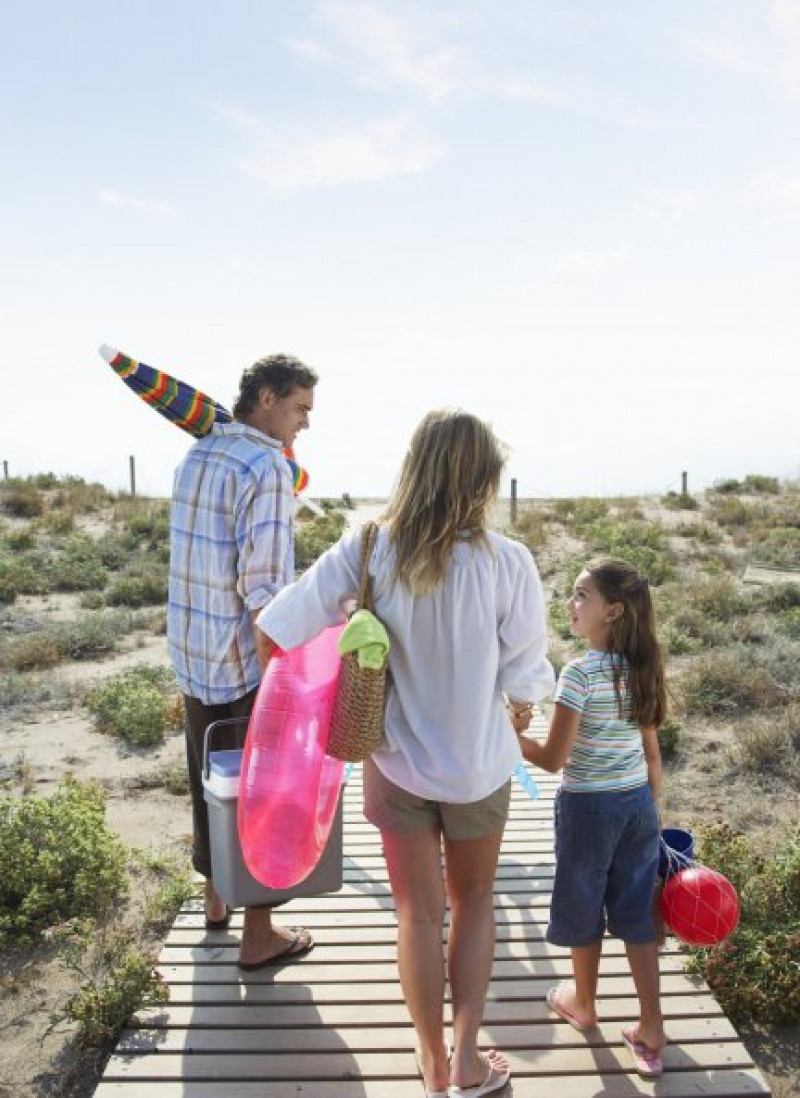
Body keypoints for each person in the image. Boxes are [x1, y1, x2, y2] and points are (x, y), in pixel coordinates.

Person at [255, 410, 555, 1098]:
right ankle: (468, 1060)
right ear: (481, 479)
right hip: (480, 766)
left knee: (417, 916)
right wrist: (514, 708)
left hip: (393, 767)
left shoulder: (368, 549)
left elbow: (276, 630)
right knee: (475, 902)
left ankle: (428, 1061)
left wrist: (308, 709)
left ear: (414, 467)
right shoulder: (509, 563)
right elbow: (527, 675)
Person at [168, 352, 318, 970]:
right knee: (262, 797)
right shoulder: (268, 467)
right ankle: (259, 934)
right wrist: (283, 681)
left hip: (194, 653)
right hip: (244, 663)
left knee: (211, 782)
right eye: (299, 408)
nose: (305, 424)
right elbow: (264, 590)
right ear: (265, 397)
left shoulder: (196, 455)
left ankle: (214, 900)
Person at [512, 558, 667, 1079]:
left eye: (582, 596)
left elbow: (554, 760)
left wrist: (513, 736)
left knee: (583, 906)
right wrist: (647, 806)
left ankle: (583, 1002)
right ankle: (651, 1024)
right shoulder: (642, 668)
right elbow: (651, 757)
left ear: (613, 611)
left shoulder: (578, 674)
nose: (570, 604)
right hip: (637, 806)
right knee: (637, 913)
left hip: (587, 809)